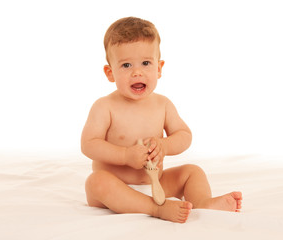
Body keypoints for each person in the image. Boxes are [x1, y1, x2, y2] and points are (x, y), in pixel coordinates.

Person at [81, 17, 242, 223]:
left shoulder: (163, 105)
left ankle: (202, 202)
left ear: (159, 68)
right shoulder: (104, 107)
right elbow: (88, 144)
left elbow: (184, 135)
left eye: (146, 63)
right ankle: (156, 209)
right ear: (110, 73)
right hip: (116, 188)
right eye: (126, 65)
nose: (137, 72)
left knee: (192, 172)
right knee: (96, 182)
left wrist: (164, 146)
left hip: (156, 183)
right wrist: (124, 156)